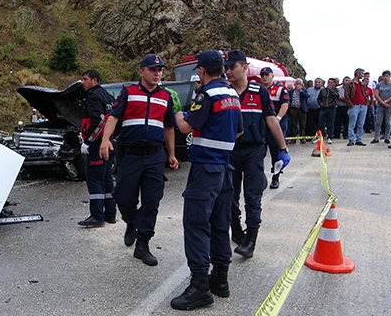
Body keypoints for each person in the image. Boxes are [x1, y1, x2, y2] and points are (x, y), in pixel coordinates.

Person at [170, 50, 242, 310]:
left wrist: (180, 113)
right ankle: (220, 280)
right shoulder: (232, 94)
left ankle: (200, 287)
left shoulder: (206, 95)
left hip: (205, 169)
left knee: (196, 223)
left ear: (201, 71)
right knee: (220, 224)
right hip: (225, 168)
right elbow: (239, 130)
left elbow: (186, 127)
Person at [99, 54, 179, 266]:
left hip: (155, 156)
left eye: (160, 70)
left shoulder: (166, 96)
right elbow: (113, 117)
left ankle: (142, 245)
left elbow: (169, 127)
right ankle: (131, 221)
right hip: (131, 156)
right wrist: (105, 140)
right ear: (141, 71)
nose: (157, 73)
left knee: (152, 202)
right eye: (152, 69)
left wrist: (171, 154)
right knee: (123, 197)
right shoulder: (129, 92)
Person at [224, 50, 290, 259]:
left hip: (253, 150)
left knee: (253, 195)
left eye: (232, 67)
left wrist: (282, 149)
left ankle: (251, 239)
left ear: (244, 68)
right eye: (226, 68)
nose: (228, 72)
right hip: (230, 151)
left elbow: (271, 120)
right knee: (229, 194)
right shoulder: (224, 92)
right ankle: (236, 229)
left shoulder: (259, 92)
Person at [77, 69, 117, 227]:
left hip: (98, 145)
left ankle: (97, 216)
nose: (82, 82)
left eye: (85, 79)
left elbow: (99, 122)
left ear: (94, 80)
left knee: (94, 179)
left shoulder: (93, 96)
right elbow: (113, 119)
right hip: (110, 142)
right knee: (107, 178)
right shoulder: (108, 96)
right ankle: (110, 214)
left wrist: (89, 141)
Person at [260, 66, 290, 189]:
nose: (265, 77)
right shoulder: (258, 90)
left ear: (272, 76)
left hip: (275, 126)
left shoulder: (280, 90)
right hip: (261, 127)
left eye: (267, 74)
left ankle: (275, 177)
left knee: (275, 153)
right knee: (258, 153)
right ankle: (260, 178)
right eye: (262, 75)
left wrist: (277, 119)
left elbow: (284, 105)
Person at [345, 68, 368, 146]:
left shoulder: (362, 84)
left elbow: (365, 94)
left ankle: (359, 139)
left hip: (363, 105)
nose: (363, 75)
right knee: (352, 124)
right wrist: (350, 105)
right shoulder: (350, 84)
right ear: (358, 74)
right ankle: (351, 139)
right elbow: (347, 95)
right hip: (354, 106)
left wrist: (366, 102)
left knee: (361, 124)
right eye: (362, 74)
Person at [372, 70, 391, 144]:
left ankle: (387, 137)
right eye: (384, 76)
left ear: (389, 76)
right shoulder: (379, 84)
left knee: (388, 122)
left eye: (387, 76)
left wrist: (387, 102)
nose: (385, 78)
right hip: (380, 105)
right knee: (378, 122)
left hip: (389, 106)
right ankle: (376, 138)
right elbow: (376, 94)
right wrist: (382, 102)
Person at [318, 78, 340, 144]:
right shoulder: (323, 90)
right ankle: (320, 137)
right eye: (329, 82)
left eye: (331, 82)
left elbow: (337, 96)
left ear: (333, 83)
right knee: (321, 123)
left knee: (330, 123)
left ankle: (330, 137)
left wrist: (331, 90)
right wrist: (321, 104)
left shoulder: (335, 90)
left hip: (331, 108)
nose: (330, 83)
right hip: (323, 108)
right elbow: (319, 99)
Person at [287, 79, 309, 143]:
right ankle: (293, 138)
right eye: (297, 83)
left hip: (302, 109)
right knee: (293, 124)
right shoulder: (291, 91)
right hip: (293, 109)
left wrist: (301, 91)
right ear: (294, 84)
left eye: (300, 84)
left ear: (302, 85)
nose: (298, 85)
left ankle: (302, 137)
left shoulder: (304, 91)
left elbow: (307, 97)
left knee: (302, 124)